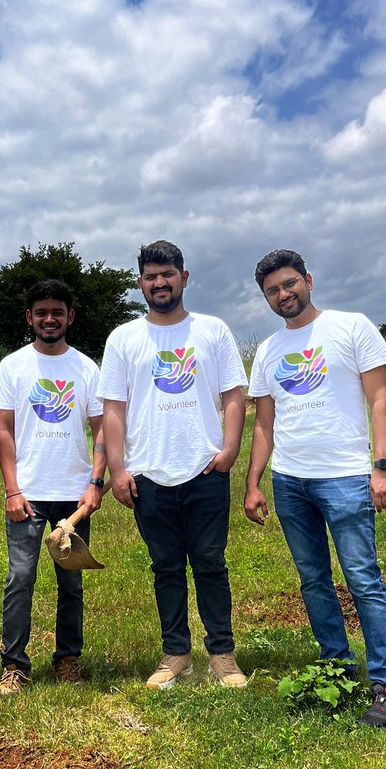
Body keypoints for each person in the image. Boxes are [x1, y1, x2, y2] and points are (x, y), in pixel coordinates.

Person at [243, 249, 386, 727]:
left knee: (362, 578)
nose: (283, 294)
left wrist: (382, 467)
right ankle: (335, 665)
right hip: (290, 481)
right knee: (313, 578)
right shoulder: (269, 351)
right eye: (273, 290)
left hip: (345, 476)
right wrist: (254, 482)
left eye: (290, 283)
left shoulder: (351, 327)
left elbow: (379, 397)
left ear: (308, 280)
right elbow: (264, 423)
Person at [99, 240, 248, 689]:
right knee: (165, 566)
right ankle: (175, 653)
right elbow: (112, 409)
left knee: (209, 563)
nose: (159, 282)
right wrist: (119, 469)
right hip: (148, 474)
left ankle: (223, 655)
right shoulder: (124, 338)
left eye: (167, 274)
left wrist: (230, 450)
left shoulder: (213, 331)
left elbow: (234, 394)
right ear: (140, 283)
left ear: (184, 278)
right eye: (150, 276)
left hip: (205, 469)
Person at [0, 279, 106, 695]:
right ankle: (15, 665)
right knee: (20, 577)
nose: (50, 319)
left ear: (69, 317)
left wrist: (94, 483)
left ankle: (68, 659)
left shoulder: (87, 368)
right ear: (30, 319)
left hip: (74, 496)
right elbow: (3, 429)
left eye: (58, 311)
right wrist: (11, 489)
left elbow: (101, 431)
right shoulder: (13, 366)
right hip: (29, 493)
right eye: (41, 313)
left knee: (71, 581)